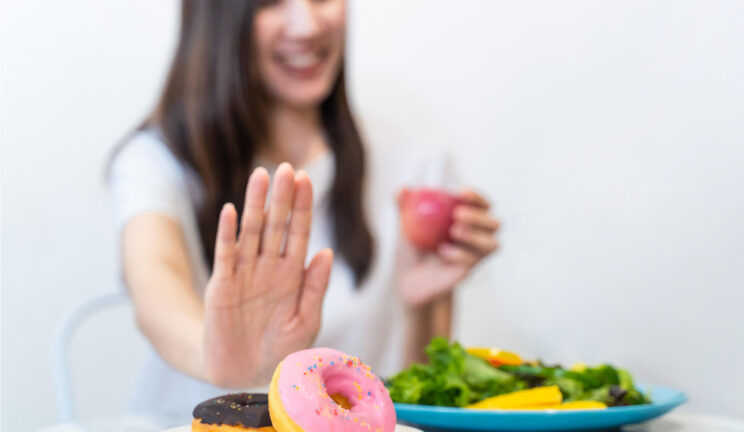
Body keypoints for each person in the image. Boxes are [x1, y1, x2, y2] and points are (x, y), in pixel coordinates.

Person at [108, 0, 499, 425]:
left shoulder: (416, 166)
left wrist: (418, 306)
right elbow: (154, 278)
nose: (308, 24)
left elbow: (422, 409)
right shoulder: (157, 160)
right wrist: (214, 354)